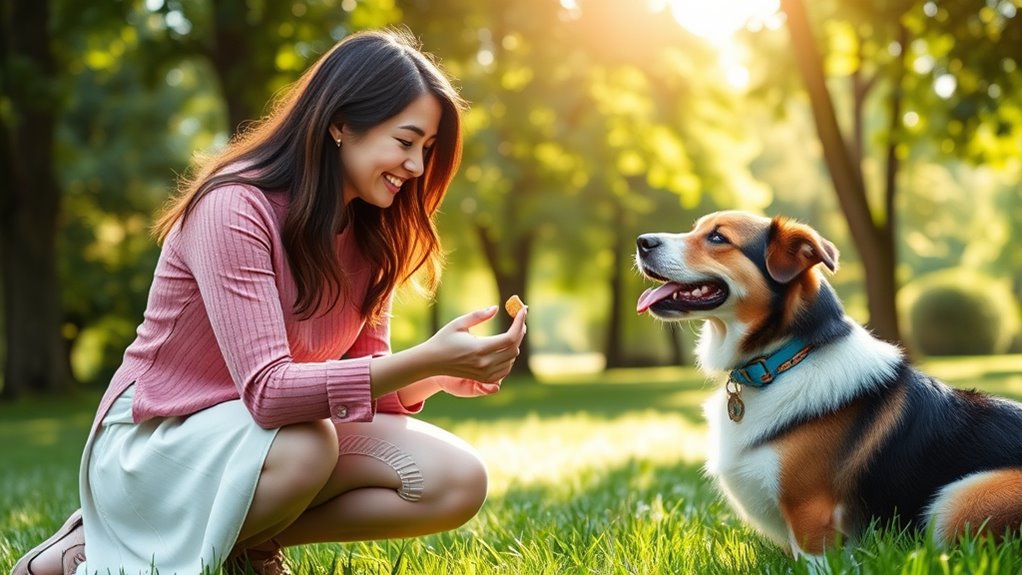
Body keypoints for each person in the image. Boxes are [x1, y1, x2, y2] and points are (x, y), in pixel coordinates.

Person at [11, 27, 527, 575]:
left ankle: (234, 546)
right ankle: (110, 541)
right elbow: (269, 393)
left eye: (427, 149)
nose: (418, 167)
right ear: (340, 124)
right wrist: (425, 358)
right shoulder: (235, 206)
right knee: (307, 444)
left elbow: (361, 379)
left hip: (267, 439)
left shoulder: (371, 233)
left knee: (456, 479)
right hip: (156, 441)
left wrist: (437, 374)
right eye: (405, 142)